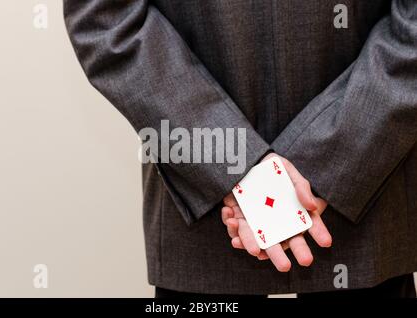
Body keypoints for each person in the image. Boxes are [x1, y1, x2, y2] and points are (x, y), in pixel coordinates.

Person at [63, 0, 417, 298]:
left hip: (363, 210)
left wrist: (241, 162)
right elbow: (107, 18)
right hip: (215, 220)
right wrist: (323, 160)